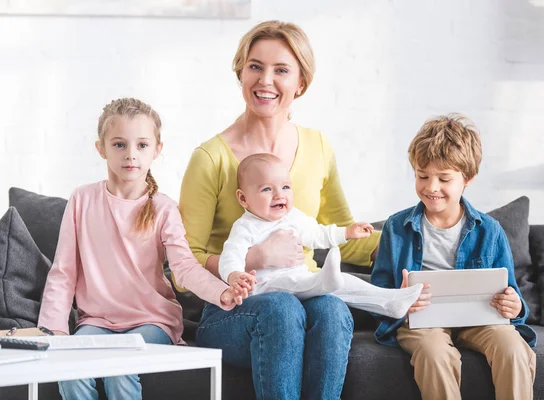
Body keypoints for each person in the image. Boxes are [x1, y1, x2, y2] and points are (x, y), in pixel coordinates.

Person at [179, 20, 380, 399]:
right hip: (232, 313)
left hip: (302, 295)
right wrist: (253, 257)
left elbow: (343, 237)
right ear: (240, 72)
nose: (265, 80)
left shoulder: (318, 146)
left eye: (281, 70)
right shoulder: (210, 158)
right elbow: (184, 262)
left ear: (301, 83)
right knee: (281, 308)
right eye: (255, 66)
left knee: (332, 309)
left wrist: (413, 244)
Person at [38, 98, 251, 400]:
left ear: (156, 150)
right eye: (119, 144)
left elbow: (185, 268)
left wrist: (221, 292)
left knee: (120, 367)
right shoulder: (82, 200)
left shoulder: (163, 208)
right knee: (70, 372)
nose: (131, 155)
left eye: (141, 145)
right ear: (101, 148)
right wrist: (55, 331)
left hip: (152, 322)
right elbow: (63, 273)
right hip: (96, 323)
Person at [371, 113, 537, 400]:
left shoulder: (491, 231)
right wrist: (399, 300)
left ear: (468, 179)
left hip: (480, 320)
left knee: (512, 348)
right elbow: (378, 293)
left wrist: (513, 305)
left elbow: (511, 292)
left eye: (444, 178)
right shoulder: (397, 228)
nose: (431, 187)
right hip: (423, 322)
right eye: (422, 176)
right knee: (434, 353)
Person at [219, 153, 423, 318]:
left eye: (285, 187)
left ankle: (390, 301)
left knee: (343, 281)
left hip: (301, 278)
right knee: (298, 283)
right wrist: (234, 274)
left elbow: (317, 234)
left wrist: (347, 232)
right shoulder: (245, 227)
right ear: (243, 198)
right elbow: (231, 255)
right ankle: (322, 283)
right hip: (265, 289)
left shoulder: (293, 216)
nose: (279, 195)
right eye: (266, 189)